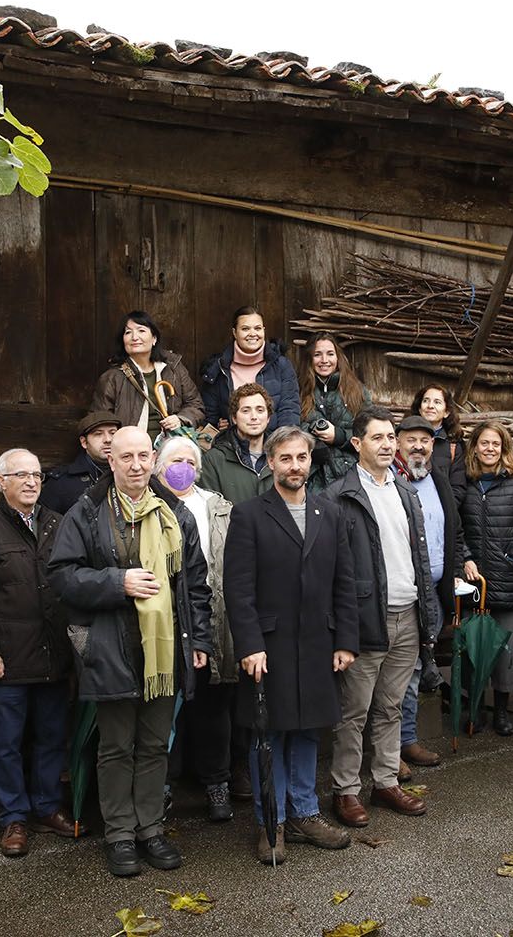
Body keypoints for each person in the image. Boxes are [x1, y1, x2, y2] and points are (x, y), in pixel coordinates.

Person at [47, 426, 213, 877]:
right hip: (110, 645)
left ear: (153, 460)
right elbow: (62, 576)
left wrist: (200, 641)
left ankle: (151, 829)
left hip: (164, 651)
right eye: (127, 457)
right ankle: (120, 834)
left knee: (156, 745)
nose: (137, 465)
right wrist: (116, 583)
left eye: (144, 456)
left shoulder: (177, 513)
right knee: (117, 746)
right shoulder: (85, 513)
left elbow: (195, 587)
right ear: (111, 461)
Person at [226, 426, 360, 864]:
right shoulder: (249, 515)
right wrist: (248, 644)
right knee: (270, 731)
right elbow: (238, 589)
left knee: (306, 729)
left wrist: (345, 640)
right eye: (285, 458)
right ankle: (272, 823)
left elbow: (345, 581)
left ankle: (304, 814)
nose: (295, 466)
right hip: (269, 645)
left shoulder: (330, 513)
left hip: (318, 643)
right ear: (270, 462)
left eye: (301, 458)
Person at [0, 448, 78, 857]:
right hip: (6, 659)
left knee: (50, 737)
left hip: (53, 654)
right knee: (6, 742)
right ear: (1, 481)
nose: (30, 482)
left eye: (37, 475)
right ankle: (13, 817)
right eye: (21, 475)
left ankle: (46, 805)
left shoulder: (59, 526)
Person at [326, 407, 441, 827]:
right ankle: (346, 790)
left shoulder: (405, 491)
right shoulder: (340, 496)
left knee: (391, 706)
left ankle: (386, 781)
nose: (389, 444)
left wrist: (425, 610)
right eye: (378, 437)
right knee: (353, 711)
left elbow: (418, 555)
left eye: (391, 436)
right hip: (364, 618)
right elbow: (332, 568)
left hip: (406, 614)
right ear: (357, 444)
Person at [154, 436, 238, 823]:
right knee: (165, 709)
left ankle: (216, 783)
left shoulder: (217, 506)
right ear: (158, 465)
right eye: (175, 460)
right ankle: (164, 786)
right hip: (166, 621)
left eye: (189, 460)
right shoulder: (149, 505)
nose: (182, 467)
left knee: (212, 706)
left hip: (210, 617)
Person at [390, 415, 469, 770]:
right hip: (402, 593)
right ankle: (392, 749)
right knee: (399, 672)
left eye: (426, 440)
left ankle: (407, 740)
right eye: (412, 440)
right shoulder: (390, 481)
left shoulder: (436, 478)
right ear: (397, 443)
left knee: (420, 667)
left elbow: (454, 529)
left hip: (435, 591)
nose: (419, 446)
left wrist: (456, 567)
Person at [458, 421, 513, 736]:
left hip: (506, 576)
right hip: (473, 580)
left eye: (495, 444)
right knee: (473, 646)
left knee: (506, 648)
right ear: (475, 446)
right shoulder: (465, 482)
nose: (489, 449)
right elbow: (457, 526)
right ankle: (474, 708)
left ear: (504, 448)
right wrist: (464, 557)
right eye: (484, 443)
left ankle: (502, 711)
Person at [90, 311, 204, 444]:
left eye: (141, 330)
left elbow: (196, 405)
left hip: (172, 444)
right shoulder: (112, 377)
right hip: (132, 448)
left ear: (154, 338)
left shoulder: (174, 369)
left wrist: (181, 419)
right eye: (128, 332)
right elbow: (100, 419)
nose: (134, 337)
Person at [199, 305, 302, 434]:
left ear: (264, 331)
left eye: (257, 328)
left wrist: (283, 445)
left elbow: (290, 410)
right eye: (245, 329)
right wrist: (221, 429)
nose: (252, 334)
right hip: (232, 447)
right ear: (234, 333)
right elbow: (210, 418)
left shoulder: (281, 365)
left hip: (274, 446)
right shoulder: (219, 369)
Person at [299, 332, 374, 490]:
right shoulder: (298, 392)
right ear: (309, 359)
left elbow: (371, 434)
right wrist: (314, 437)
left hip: (350, 476)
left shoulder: (357, 392)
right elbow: (292, 429)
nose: (324, 360)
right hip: (312, 479)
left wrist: (338, 436)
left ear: (338, 358)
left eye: (330, 354)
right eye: (317, 354)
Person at [198, 383, 273, 504]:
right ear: (234, 417)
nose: (254, 417)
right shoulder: (214, 460)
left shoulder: (281, 456)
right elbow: (211, 512)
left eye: (260, 410)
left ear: (268, 417)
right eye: (246, 411)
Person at [41, 411, 121, 516]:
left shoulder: (133, 473)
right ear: (84, 442)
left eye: (113, 433)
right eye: (98, 434)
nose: (108, 440)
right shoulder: (62, 483)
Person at [412, 383, 467, 500]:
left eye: (437, 402)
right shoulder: (403, 441)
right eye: (426, 401)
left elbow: (458, 489)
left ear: (446, 412)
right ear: (419, 409)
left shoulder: (453, 446)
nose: (430, 406)